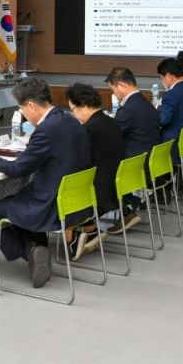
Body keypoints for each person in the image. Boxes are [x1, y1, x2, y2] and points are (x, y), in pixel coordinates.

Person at [0, 79, 90, 288]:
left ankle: (30, 254)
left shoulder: (45, 130)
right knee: (15, 200)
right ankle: (37, 248)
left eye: (21, 110)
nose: (23, 115)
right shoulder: (70, 120)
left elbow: (18, 170)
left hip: (49, 205)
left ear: (31, 106)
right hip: (75, 202)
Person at [66, 83, 125, 259]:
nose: (73, 114)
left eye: (73, 110)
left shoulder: (89, 130)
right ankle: (91, 230)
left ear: (83, 105)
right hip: (115, 188)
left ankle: (72, 238)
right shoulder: (112, 122)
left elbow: (74, 162)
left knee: (57, 186)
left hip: (98, 193)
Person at [106, 67, 159, 230]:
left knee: (100, 167)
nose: (114, 94)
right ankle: (130, 205)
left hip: (134, 166)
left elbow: (111, 136)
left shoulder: (128, 109)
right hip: (148, 161)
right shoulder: (146, 103)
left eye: (113, 89)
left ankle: (127, 209)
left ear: (121, 85)